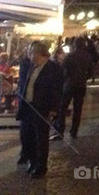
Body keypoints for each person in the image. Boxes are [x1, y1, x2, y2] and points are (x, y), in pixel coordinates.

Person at [17, 42, 63, 178]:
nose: (30, 56)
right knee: (27, 135)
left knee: (41, 137)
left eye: (32, 53)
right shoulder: (31, 66)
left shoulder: (53, 68)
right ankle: (32, 160)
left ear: (39, 53)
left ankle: (41, 166)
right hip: (27, 106)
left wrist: (54, 109)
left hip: (42, 107)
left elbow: (57, 90)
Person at [52, 35, 94, 139]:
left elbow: (63, 70)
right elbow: (90, 72)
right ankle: (74, 131)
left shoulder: (70, 56)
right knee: (77, 109)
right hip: (81, 85)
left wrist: (66, 78)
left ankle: (60, 130)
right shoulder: (87, 56)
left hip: (69, 84)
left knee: (63, 108)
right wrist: (84, 77)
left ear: (74, 45)